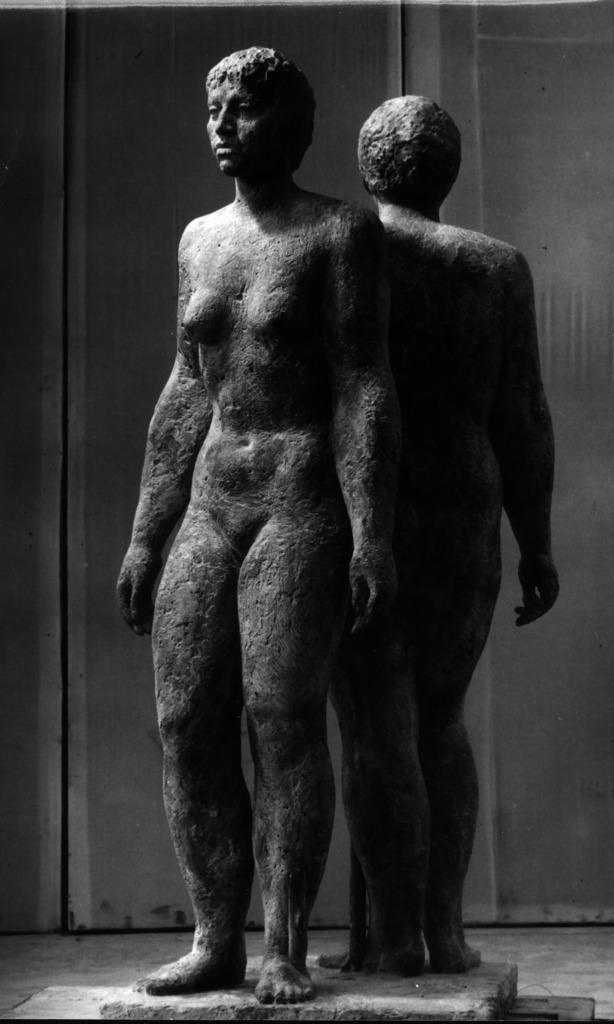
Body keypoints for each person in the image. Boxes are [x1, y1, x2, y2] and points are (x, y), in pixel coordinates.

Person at [116, 48, 399, 1005]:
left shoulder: (337, 231)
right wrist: (147, 532)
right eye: (213, 108)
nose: (223, 125)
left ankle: (282, 944)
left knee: (281, 717)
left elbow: (363, 384)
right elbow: (185, 390)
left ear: (292, 123)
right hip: (212, 496)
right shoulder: (200, 238)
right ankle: (214, 939)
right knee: (185, 720)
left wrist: (370, 527)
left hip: (297, 496)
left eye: (243, 107)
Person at [330, 95, 559, 975]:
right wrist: (536, 541)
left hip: (371, 505)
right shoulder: (496, 267)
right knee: (439, 721)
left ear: (367, 164)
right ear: (449, 170)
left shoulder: (347, 249)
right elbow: (524, 418)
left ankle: (390, 940)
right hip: (466, 502)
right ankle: (444, 932)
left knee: (375, 724)